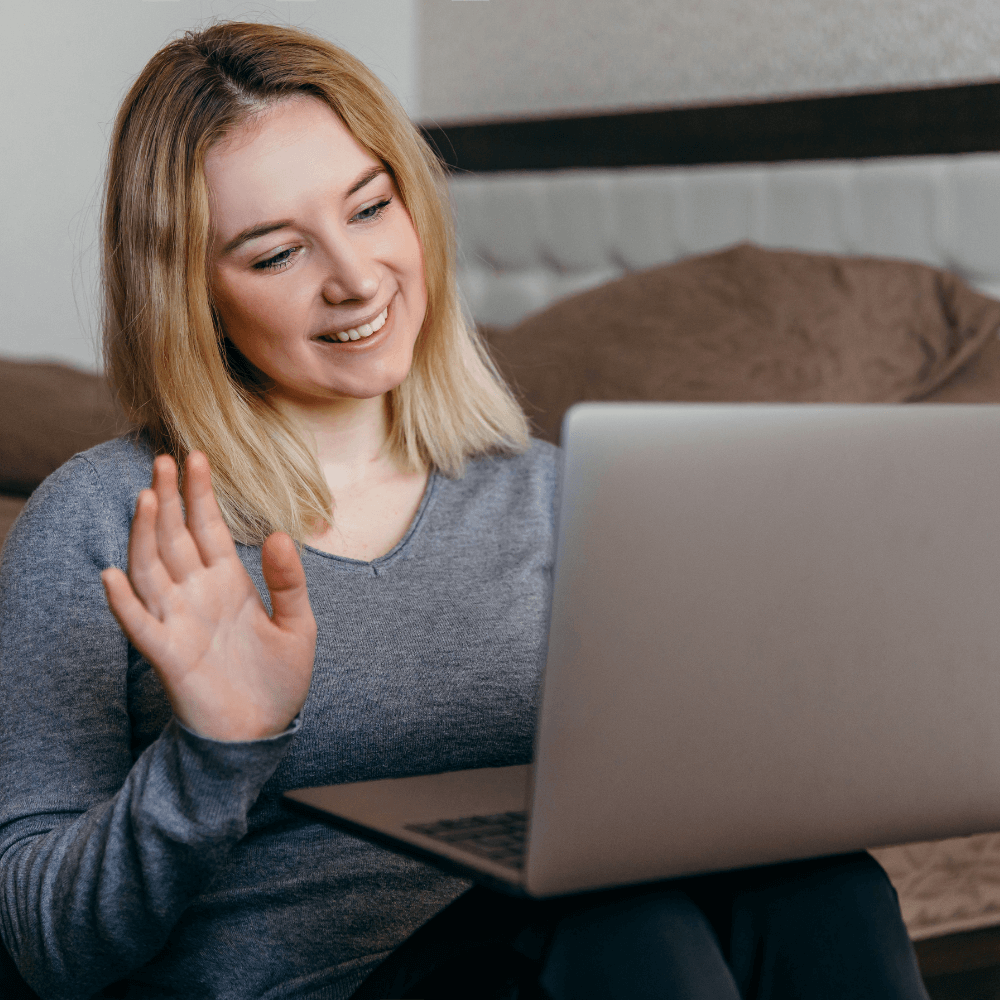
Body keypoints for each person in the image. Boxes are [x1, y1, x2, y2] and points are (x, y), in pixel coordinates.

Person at [0, 20, 931, 1000]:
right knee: (623, 926)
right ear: (191, 292)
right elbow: (42, 947)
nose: (355, 278)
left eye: (369, 208)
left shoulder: (554, 494)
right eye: (275, 254)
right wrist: (213, 754)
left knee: (825, 882)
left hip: (572, 957)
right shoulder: (105, 523)